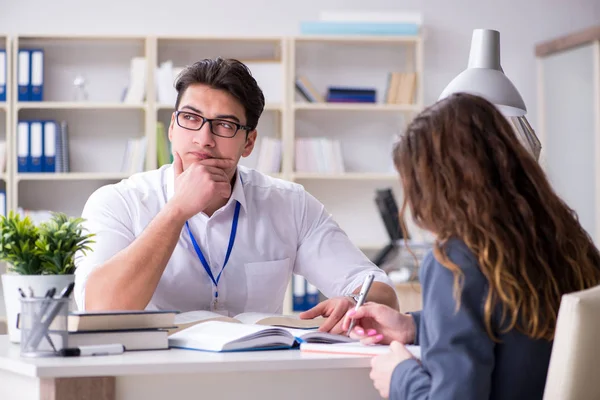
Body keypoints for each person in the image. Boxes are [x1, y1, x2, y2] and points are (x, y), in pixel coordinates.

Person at [74, 57, 398, 333]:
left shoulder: (290, 204)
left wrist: (356, 304)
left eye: (225, 125)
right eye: (190, 118)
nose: (204, 139)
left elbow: (380, 291)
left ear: (249, 142)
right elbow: (99, 308)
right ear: (172, 127)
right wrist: (176, 212)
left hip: (255, 379)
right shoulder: (118, 202)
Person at [342, 93, 600, 399]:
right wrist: (413, 325)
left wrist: (400, 376)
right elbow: (511, 328)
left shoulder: (454, 262)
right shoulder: (569, 241)